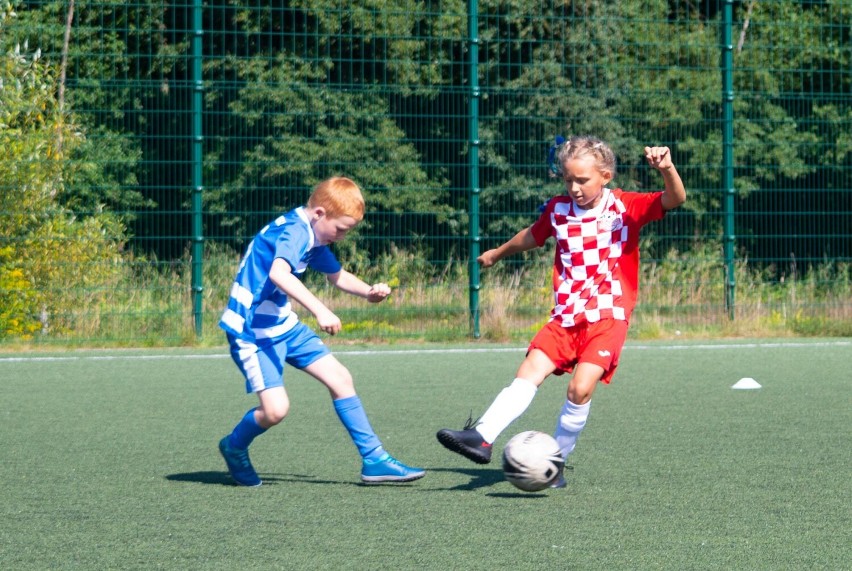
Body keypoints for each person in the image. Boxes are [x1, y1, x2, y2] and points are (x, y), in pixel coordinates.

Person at [437, 136, 686, 487]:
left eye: (582, 180)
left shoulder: (625, 207)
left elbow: (674, 199)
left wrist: (667, 170)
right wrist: (497, 252)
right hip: (565, 315)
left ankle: (557, 463)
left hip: (607, 316)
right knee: (529, 371)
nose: (574, 188)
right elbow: (532, 235)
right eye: (568, 180)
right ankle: (481, 437)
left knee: (579, 389)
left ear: (605, 175)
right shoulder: (558, 210)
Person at [218, 176, 425, 486]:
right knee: (275, 411)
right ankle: (234, 446)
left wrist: (369, 292)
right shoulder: (295, 231)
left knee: (340, 378)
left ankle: (375, 459)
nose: (341, 237)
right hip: (251, 332)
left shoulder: (315, 235)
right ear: (319, 214)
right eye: (340, 229)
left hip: (283, 325)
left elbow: (337, 276)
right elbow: (278, 273)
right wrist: (320, 309)